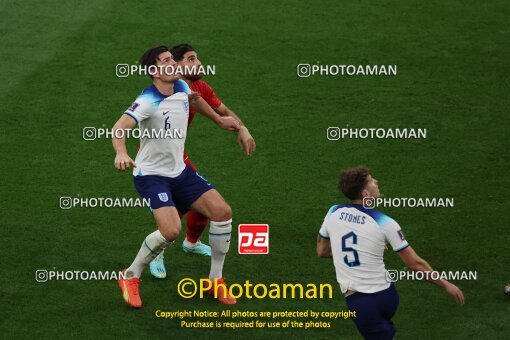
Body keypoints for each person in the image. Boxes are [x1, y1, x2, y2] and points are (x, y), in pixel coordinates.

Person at [114, 45, 240, 307]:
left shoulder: (181, 86)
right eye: (166, 61)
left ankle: (215, 280)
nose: (173, 63)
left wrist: (219, 120)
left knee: (222, 212)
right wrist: (121, 153)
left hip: (180, 171)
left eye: (173, 59)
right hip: (151, 176)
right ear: (154, 71)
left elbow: (195, 99)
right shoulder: (147, 100)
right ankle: (130, 275)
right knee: (170, 231)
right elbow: (119, 127)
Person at [317, 166, 464, 339]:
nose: (376, 182)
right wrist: (445, 284)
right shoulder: (386, 223)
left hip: (362, 304)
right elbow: (415, 264)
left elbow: (322, 251)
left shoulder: (333, 212)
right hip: (387, 295)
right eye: (372, 181)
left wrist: (360, 249)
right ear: (365, 194)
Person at [149, 43, 256, 279]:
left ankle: (190, 243)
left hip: (178, 153)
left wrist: (243, 127)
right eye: (191, 59)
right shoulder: (176, 88)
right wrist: (223, 121)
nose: (198, 64)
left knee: (207, 203)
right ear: (175, 65)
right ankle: (157, 250)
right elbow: (198, 103)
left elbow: (222, 109)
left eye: (197, 58)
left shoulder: (200, 86)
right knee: (182, 205)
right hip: (159, 157)